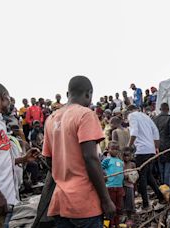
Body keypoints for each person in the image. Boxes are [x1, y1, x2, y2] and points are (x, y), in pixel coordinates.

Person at [42, 76, 115, 227]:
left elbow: (49, 160)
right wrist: (106, 200)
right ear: (89, 94)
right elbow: (90, 158)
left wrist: (65, 174)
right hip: (84, 204)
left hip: (60, 202)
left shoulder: (51, 119)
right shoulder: (85, 114)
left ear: (68, 94)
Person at [0, 82, 39, 227]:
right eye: (10, 100)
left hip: (5, 200)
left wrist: (22, 159)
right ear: (4, 97)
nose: (11, 105)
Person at [127, 105, 165, 211]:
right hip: (150, 150)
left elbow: (134, 132)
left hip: (141, 150)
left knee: (142, 177)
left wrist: (128, 147)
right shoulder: (146, 116)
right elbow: (156, 132)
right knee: (148, 175)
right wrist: (156, 147)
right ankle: (161, 198)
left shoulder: (132, 115)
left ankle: (145, 204)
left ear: (129, 111)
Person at [153, 103, 170, 186]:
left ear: (160, 109)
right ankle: (166, 186)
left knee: (161, 166)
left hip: (158, 145)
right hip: (167, 146)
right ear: (168, 109)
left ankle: (162, 186)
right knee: (167, 166)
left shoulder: (155, 119)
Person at [101, 141, 124, 228]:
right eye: (112, 149)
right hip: (110, 186)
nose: (115, 151)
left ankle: (116, 223)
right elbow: (100, 168)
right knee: (111, 207)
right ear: (108, 149)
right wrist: (105, 175)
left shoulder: (120, 161)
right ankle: (110, 224)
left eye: (116, 149)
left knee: (119, 207)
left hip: (119, 187)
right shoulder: (107, 160)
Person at [122, 148, 138, 225]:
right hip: (123, 185)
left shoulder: (132, 164)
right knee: (124, 201)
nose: (126, 158)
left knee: (130, 202)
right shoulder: (121, 164)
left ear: (131, 156)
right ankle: (125, 216)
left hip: (130, 186)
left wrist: (136, 189)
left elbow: (136, 176)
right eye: (124, 156)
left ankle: (130, 217)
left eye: (128, 156)